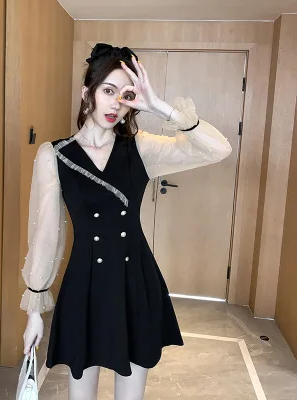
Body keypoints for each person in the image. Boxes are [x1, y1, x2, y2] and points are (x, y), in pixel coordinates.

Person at [20, 43, 232, 400]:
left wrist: (160, 107)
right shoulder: (54, 155)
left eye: (126, 95)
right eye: (108, 91)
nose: (116, 104)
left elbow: (219, 149)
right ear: (87, 93)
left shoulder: (141, 148)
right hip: (85, 284)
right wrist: (35, 311)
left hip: (135, 281)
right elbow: (45, 234)